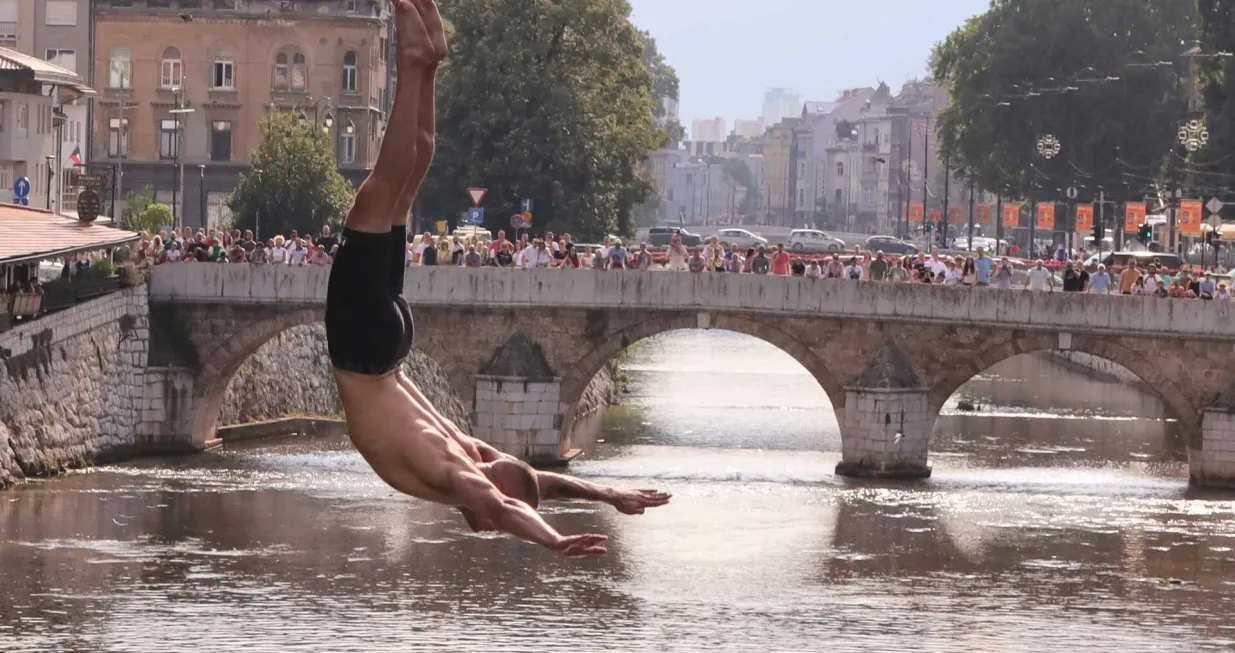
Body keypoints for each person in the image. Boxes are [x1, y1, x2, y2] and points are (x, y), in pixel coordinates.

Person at [324, 0, 667, 558]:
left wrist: (554, 542)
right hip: (377, 354)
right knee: (402, 188)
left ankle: (416, 64)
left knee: (384, 187)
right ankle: (425, 64)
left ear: (486, 498)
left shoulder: (462, 479)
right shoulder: (472, 458)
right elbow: (539, 486)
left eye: (507, 468)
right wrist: (605, 492)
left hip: (368, 347)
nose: (506, 457)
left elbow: (504, 506)